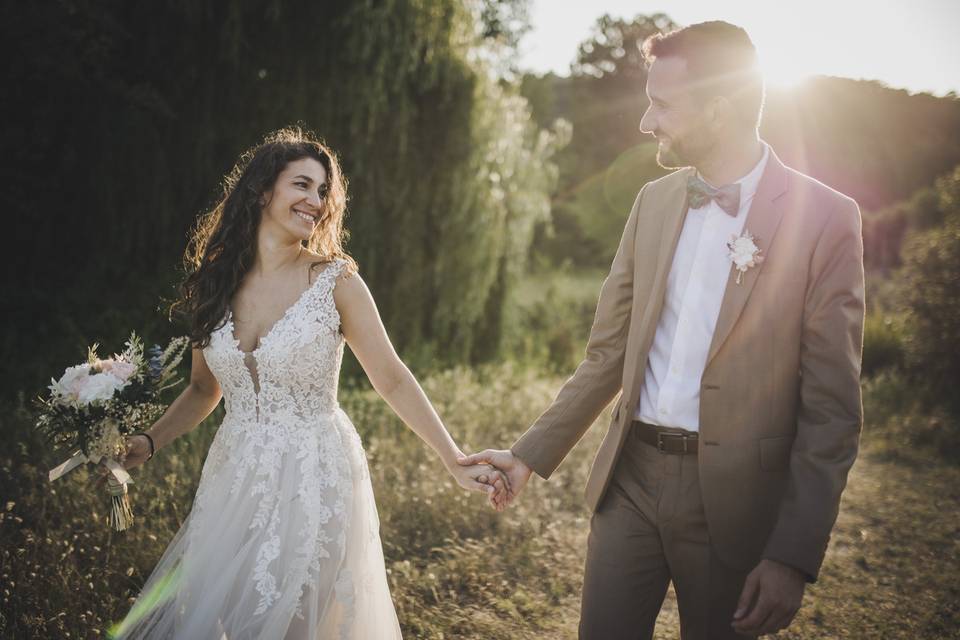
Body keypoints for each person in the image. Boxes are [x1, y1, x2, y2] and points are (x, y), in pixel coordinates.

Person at [459, 21, 865, 639]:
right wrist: (526, 456)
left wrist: (791, 555)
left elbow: (831, 409)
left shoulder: (827, 220)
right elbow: (607, 356)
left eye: (662, 104)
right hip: (630, 480)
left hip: (736, 501)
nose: (647, 122)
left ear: (719, 109)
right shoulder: (652, 202)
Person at [108, 127, 508, 639]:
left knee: (297, 622)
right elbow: (204, 389)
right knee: (233, 621)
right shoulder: (216, 284)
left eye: (323, 191)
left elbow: (391, 377)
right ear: (262, 191)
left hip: (315, 474)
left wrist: (453, 459)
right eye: (302, 185)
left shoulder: (336, 281)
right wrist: (148, 442)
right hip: (235, 475)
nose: (315, 201)